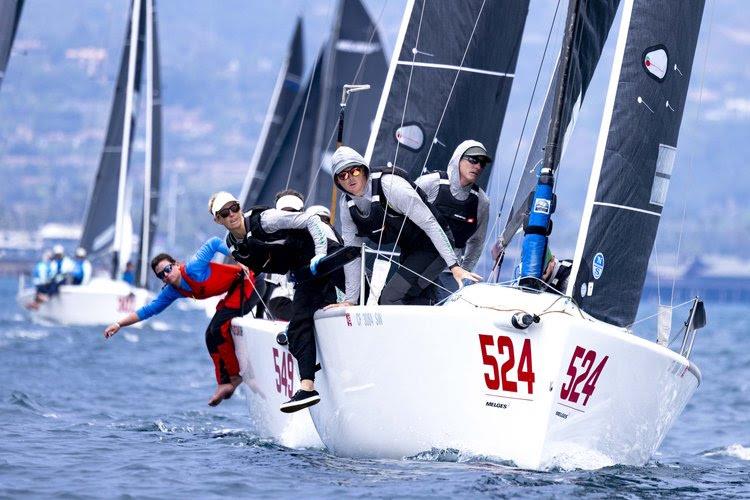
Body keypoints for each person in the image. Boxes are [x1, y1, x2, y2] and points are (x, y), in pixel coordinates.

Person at [211, 190, 342, 413]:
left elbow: (311, 220)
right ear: (218, 219)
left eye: (234, 207)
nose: (232, 213)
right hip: (304, 272)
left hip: (325, 259)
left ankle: (308, 387)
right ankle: (314, 365)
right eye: (225, 212)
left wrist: (320, 256)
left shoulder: (267, 220)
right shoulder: (232, 243)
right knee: (297, 330)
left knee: (300, 322)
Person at [103, 237, 257, 407]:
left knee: (218, 328)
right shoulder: (172, 291)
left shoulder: (193, 268)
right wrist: (119, 324)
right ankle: (224, 382)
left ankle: (234, 376)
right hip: (235, 291)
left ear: (176, 264)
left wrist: (238, 258)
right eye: (161, 275)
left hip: (250, 282)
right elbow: (148, 310)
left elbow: (213, 242)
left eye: (168, 269)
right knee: (209, 335)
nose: (166, 275)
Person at [324, 146, 481, 307]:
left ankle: (443, 315)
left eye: (354, 171)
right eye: (343, 175)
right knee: (405, 298)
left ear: (364, 170)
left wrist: (454, 266)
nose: (350, 178)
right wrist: (350, 300)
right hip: (411, 250)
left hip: (434, 246)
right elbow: (352, 253)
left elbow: (430, 223)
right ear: (338, 181)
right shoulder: (347, 205)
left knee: (390, 299)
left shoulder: (390, 185)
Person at [415, 140, 491, 303]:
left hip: (449, 273)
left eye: (482, 163)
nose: (478, 166)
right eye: (473, 159)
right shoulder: (429, 183)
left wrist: (465, 273)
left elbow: (477, 242)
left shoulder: (482, 201)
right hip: (416, 264)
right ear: (458, 158)